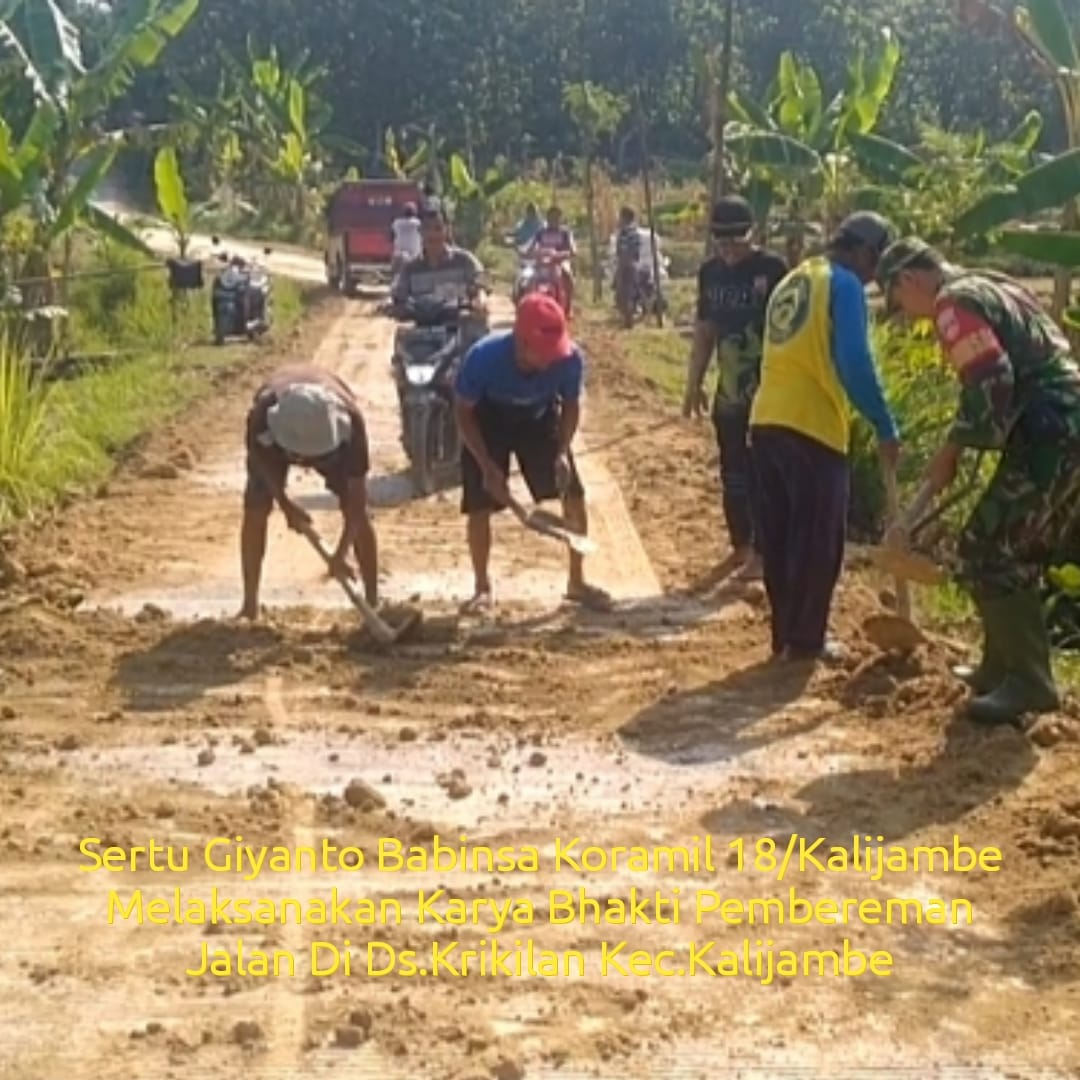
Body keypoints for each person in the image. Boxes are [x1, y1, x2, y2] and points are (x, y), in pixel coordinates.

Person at [878, 237, 1080, 725]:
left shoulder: (953, 303)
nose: (909, 316)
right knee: (1020, 549)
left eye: (899, 302)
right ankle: (1000, 670)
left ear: (910, 280)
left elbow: (991, 377)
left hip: (1048, 430)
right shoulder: (992, 284)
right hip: (1064, 424)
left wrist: (951, 451)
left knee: (985, 546)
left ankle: (1030, 683)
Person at [749, 211, 901, 663]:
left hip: (766, 420)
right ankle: (808, 640)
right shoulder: (844, 284)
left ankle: (785, 636)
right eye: (876, 263)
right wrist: (884, 423)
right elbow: (854, 361)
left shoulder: (794, 279)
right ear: (862, 252)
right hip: (812, 425)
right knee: (817, 542)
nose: (875, 276)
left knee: (778, 538)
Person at [453, 292, 611, 614]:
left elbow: (570, 405)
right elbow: (463, 413)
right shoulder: (482, 358)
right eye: (543, 352)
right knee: (480, 504)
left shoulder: (569, 360)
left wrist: (563, 450)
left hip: (539, 418)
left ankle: (576, 582)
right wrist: (485, 464)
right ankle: (482, 588)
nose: (551, 359)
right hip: (488, 419)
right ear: (520, 343)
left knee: (574, 494)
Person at [683, 195, 788, 582]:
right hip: (728, 393)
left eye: (736, 242)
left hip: (770, 394)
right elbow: (706, 331)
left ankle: (762, 551)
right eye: (721, 243)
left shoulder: (773, 269)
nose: (728, 251)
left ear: (753, 234)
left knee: (765, 472)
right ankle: (740, 545)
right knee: (733, 474)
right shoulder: (710, 274)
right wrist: (693, 383)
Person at [239, 367, 378, 620]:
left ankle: (372, 602)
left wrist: (341, 553)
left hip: (332, 450)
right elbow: (261, 462)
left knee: (360, 516)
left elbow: (357, 503)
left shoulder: (351, 425)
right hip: (276, 446)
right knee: (256, 508)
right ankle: (250, 605)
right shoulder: (262, 417)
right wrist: (284, 502)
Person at [391, 207, 486, 312]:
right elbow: (399, 298)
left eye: (438, 228)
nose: (432, 235)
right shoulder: (410, 268)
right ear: (420, 231)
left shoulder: (464, 261)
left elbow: (481, 287)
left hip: (462, 325)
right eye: (427, 228)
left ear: (447, 230)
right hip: (423, 326)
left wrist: (480, 302)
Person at [526, 205, 576, 316]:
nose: (553, 220)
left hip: (560, 261)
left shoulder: (565, 233)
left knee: (568, 276)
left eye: (556, 217)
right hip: (542, 262)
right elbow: (531, 247)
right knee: (529, 280)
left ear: (560, 218)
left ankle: (569, 305)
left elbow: (572, 249)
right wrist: (531, 253)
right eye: (551, 217)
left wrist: (567, 254)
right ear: (547, 218)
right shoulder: (541, 232)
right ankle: (528, 306)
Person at [390, 202, 422, 276]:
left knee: (395, 275)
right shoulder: (418, 223)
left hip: (399, 255)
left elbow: (392, 236)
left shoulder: (396, 222)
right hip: (415, 255)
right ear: (415, 212)